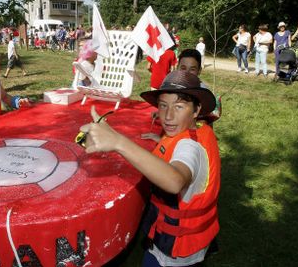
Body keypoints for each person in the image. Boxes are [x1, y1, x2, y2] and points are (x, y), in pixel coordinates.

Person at [80, 70, 220, 267]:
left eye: (179, 107)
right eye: (163, 106)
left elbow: (175, 181)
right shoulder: (194, 131)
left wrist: (119, 143)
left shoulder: (190, 148)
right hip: (181, 242)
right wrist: (160, 141)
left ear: (196, 110)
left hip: (176, 254)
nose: (168, 115)